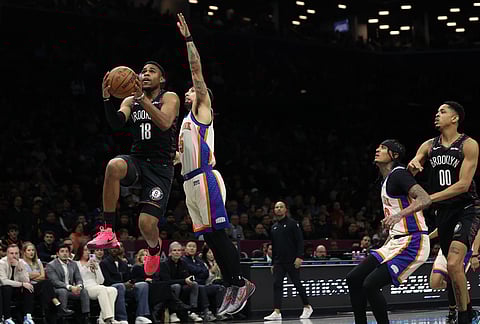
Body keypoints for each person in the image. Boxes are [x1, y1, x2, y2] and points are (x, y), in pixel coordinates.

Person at [175, 12, 255, 317]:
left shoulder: (202, 111)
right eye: (191, 90)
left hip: (205, 179)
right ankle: (232, 283)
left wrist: (189, 39)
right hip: (188, 182)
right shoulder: (184, 124)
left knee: (219, 235)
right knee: (209, 236)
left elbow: (197, 71)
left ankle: (240, 283)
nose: (189, 90)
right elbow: (180, 159)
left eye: (193, 90)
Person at [88, 56, 180, 277]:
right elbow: (116, 123)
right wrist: (106, 98)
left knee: (146, 225)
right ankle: (108, 230)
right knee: (114, 165)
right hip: (137, 160)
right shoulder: (130, 101)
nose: (146, 74)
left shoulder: (169, 97)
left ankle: (154, 249)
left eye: (152, 71)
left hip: (160, 167)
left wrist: (142, 99)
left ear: (162, 79)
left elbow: (165, 123)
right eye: (143, 71)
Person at [408, 101, 480, 324]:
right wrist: (413, 165)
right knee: (452, 271)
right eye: (437, 111)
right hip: (443, 212)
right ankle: (467, 309)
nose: (437, 115)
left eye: (442, 111)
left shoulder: (469, 145)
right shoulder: (429, 146)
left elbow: (463, 184)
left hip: (466, 208)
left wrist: (429, 198)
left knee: (453, 264)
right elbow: (416, 162)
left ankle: (464, 318)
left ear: (455, 118)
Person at [346, 139, 431, 324]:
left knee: (370, 285)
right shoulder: (386, 180)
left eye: (384, 148)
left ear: (395, 155)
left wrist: (399, 215)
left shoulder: (399, 175)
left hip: (413, 241)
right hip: (395, 241)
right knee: (353, 278)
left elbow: (425, 198)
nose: (378, 149)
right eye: (378, 146)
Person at [263, 201, 313, 321]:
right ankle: (277, 311)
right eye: (276, 207)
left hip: (292, 260)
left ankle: (307, 306)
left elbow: (300, 241)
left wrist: (299, 256)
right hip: (279, 262)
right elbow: (274, 247)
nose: (278, 209)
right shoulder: (274, 227)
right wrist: (272, 263)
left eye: (281, 207)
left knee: (297, 283)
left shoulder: (292, 224)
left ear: (285, 209)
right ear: (274, 210)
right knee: (277, 285)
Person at [99, 246, 152, 324]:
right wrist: (124, 284)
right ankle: (122, 318)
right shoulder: (104, 263)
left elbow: (129, 277)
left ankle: (141, 316)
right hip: (111, 287)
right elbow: (107, 280)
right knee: (120, 286)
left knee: (143, 285)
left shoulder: (123, 263)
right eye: (112, 248)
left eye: (116, 248)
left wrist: (131, 283)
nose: (114, 250)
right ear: (109, 250)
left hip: (124, 287)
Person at [74, 243, 119, 324]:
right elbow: (77, 278)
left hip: (96, 286)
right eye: (85, 250)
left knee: (113, 290)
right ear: (80, 251)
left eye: (88, 250)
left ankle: (102, 319)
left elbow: (101, 281)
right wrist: (86, 267)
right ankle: (109, 318)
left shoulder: (94, 263)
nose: (87, 252)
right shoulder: (75, 263)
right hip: (85, 287)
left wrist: (97, 269)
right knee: (102, 289)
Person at [46, 243, 90, 324]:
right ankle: (62, 314)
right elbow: (55, 282)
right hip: (56, 290)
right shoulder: (51, 265)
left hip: (71, 290)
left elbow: (78, 278)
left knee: (84, 291)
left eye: (66, 251)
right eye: (62, 251)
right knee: (63, 291)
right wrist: (70, 287)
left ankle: (86, 316)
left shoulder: (73, 264)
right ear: (57, 254)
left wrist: (79, 286)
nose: (65, 253)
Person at [21, 242, 60, 323]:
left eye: (33, 250)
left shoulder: (38, 261)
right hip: (28, 288)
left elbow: (42, 276)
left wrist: (32, 276)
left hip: (39, 287)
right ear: (24, 252)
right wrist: (33, 275)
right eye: (29, 250)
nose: (31, 252)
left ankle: (46, 316)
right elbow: (24, 278)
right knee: (46, 284)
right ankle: (54, 300)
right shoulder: (21, 263)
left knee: (46, 283)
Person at [0, 244, 35, 324]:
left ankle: (28, 317)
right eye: (11, 253)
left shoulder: (21, 262)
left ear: (19, 254)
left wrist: (20, 269)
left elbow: (27, 280)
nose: (14, 256)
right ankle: (7, 318)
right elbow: (4, 281)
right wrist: (22, 284)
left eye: (16, 253)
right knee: (7, 287)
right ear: (7, 254)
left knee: (29, 287)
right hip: (4, 291)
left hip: (17, 290)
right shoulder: (2, 263)